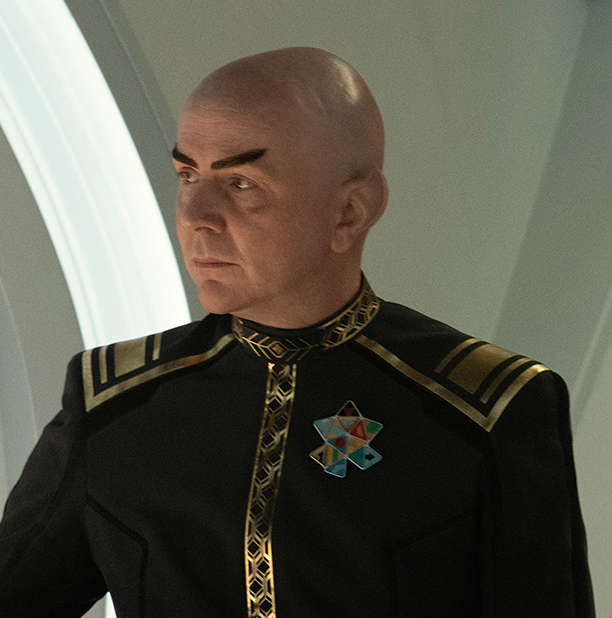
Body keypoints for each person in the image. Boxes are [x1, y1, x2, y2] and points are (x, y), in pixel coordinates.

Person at [0, 47, 594, 617]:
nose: (195, 216)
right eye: (187, 175)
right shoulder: (115, 406)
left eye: (241, 183)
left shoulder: (484, 409)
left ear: (350, 212)